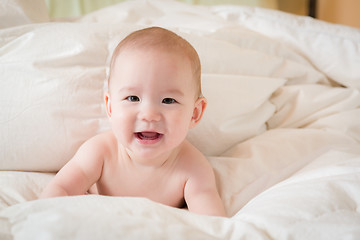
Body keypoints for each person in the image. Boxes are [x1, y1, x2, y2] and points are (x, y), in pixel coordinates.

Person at [40, 27, 226, 217]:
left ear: (194, 114)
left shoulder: (193, 168)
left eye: (168, 100)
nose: (149, 115)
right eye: (133, 98)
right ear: (110, 107)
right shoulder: (100, 153)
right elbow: (60, 190)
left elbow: (213, 224)